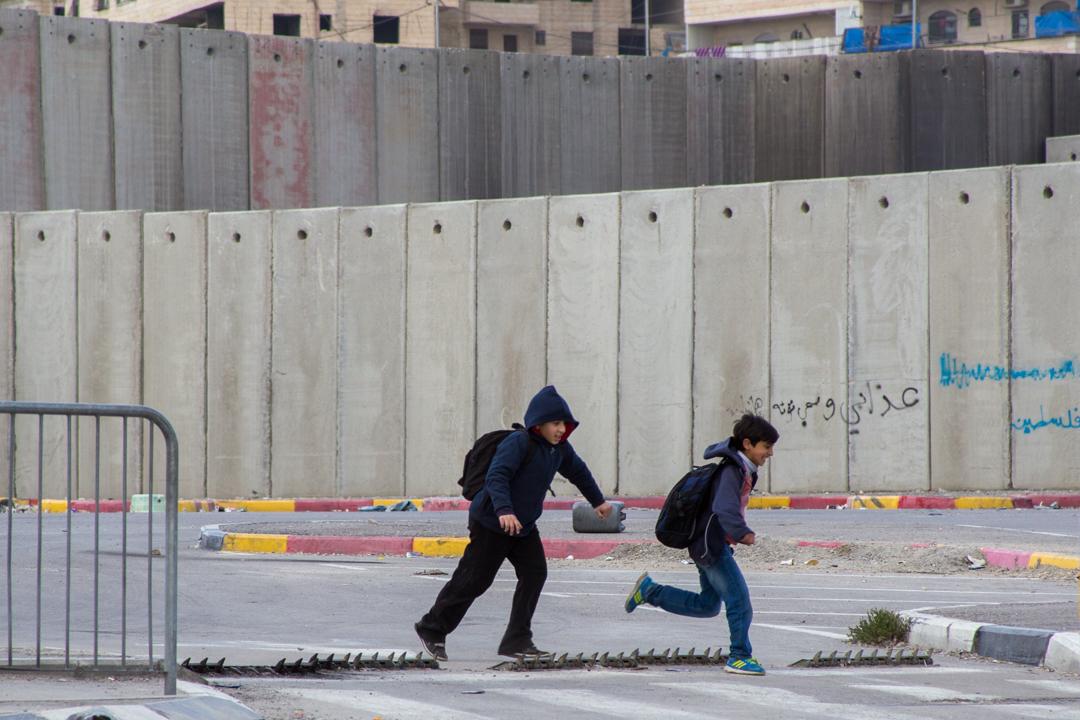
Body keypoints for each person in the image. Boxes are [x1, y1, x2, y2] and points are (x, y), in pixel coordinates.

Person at [415, 385, 613, 660]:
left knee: (535, 573)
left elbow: (578, 472)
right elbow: (497, 476)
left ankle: (517, 640)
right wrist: (504, 511)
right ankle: (432, 628)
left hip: (523, 526)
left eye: (564, 425)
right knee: (474, 580)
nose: (560, 430)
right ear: (539, 423)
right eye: (555, 423)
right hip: (491, 522)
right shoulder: (519, 443)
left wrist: (598, 501)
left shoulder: (560, 450)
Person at [624, 413, 779, 676]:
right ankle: (739, 656)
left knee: (707, 605)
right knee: (739, 601)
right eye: (767, 447)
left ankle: (650, 591)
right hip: (711, 547)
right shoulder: (732, 470)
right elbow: (723, 507)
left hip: (706, 545)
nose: (770, 453)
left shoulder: (740, 469)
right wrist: (743, 533)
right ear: (747, 444)